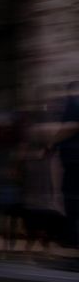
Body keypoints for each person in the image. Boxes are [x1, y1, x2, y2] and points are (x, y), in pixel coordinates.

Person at [53, 81, 79, 248]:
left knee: (71, 199)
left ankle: (71, 238)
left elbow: (71, 126)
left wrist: (52, 143)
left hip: (74, 162)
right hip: (72, 161)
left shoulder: (74, 104)